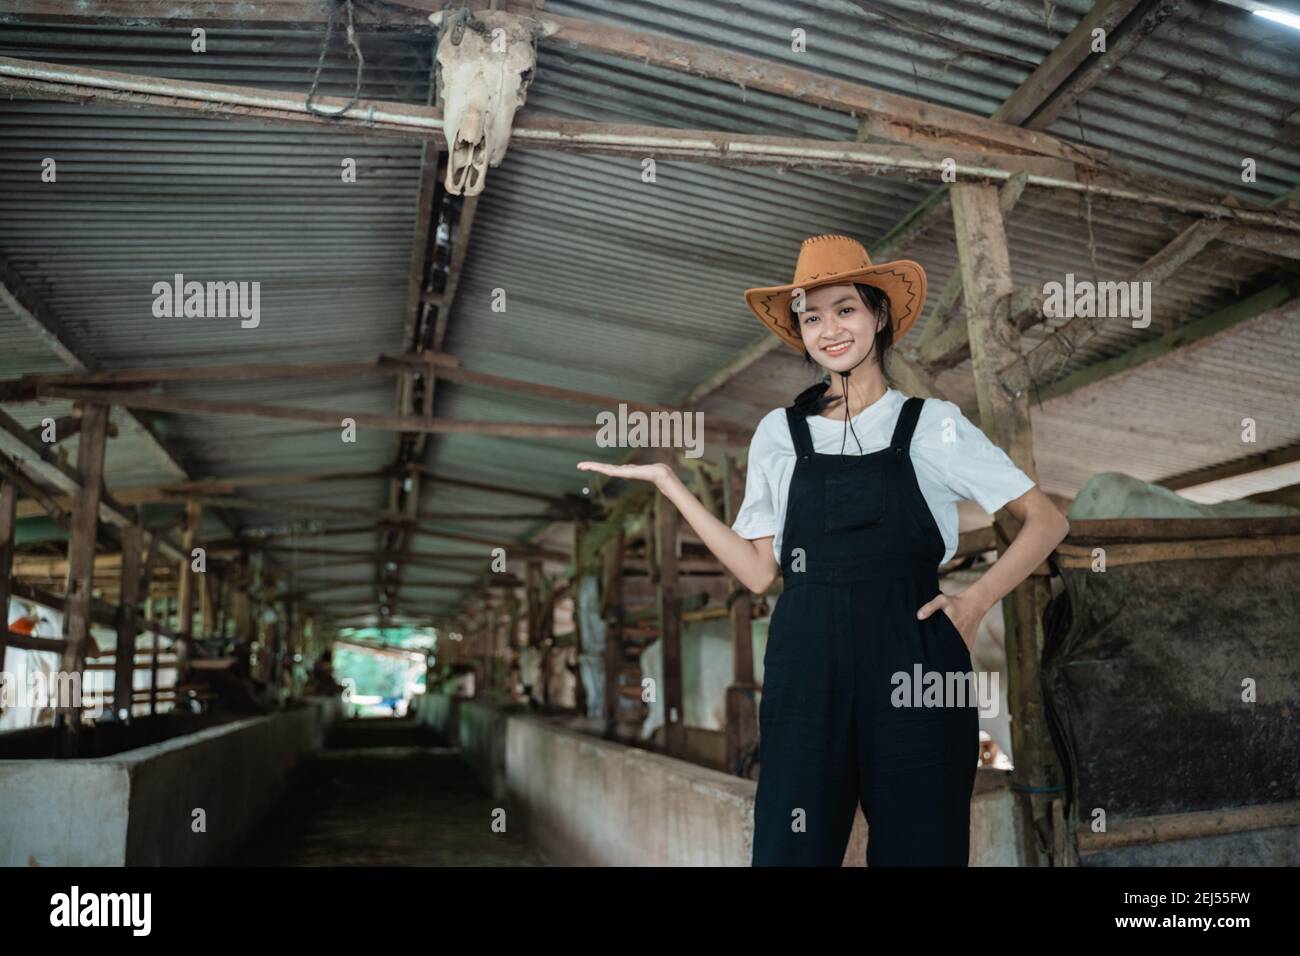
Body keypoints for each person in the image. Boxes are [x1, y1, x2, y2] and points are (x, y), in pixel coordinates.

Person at [578, 235, 1070, 867]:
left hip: (915, 661)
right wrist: (671, 485)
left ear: (879, 315)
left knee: (922, 851)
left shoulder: (933, 424)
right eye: (812, 317)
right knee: (790, 851)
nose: (828, 329)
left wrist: (975, 603)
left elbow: (1046, 522)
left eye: (845, 310)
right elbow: (758, 572)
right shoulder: (778, 435)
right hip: (806, 665)